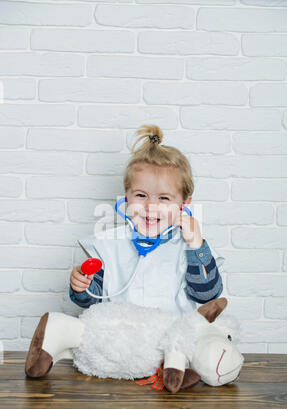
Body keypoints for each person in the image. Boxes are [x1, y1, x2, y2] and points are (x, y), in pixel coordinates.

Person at [25, 124, 224, 378]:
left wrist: (196, 245)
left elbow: (209, 295)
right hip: (116, 357)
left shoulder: (192, 247)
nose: (151, 206)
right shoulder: (109, 245)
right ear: (126, 199)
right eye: (141, 195)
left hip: (170, 359)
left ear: (184, 204)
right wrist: (80, 286)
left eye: (164, 198)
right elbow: (91, 302)